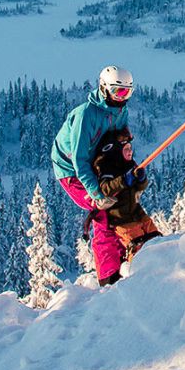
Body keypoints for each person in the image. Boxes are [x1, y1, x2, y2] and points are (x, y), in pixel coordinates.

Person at [52, 65, 135, 285]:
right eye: (119, 92)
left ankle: (126, 261)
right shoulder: (86, 115)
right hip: (71, 170)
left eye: (127, 92)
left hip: (98, 162)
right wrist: (96, 193)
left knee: (122, 203)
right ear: (104, 89)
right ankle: (109, 277)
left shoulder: (120, 111)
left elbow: (120, 144)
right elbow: (79, 160)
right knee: (104, 213)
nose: (123, 98)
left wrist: (129, 168)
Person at [90, 127, 161, 267]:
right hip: (121, 218)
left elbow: (138, 189)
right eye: (126, 149)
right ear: (116, 151)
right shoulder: (107, 167)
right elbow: (105, 189)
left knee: (156, 240)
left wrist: (141, 180)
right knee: (138, 249)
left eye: (130, 148)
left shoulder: (130, 165)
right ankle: (139, 275)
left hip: (137, 212)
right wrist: (123, 180)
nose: (130, 152)